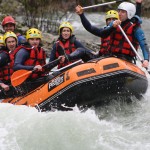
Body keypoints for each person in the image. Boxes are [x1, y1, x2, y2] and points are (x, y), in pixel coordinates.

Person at [75, 2, 149, 68]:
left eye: (123, 12)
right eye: (119, 11)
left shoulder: (136, 28)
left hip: (125, 60)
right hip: (109, 57)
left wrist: (146, 60)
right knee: (82, 52)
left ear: (129, 13)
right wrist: (82, 15)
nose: (119, 13)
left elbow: (144, 45)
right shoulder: (113, 24)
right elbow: (94, 30)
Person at [13, 28, 64, 93]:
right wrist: (33, 67)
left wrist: (58, 61)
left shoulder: (41, 51)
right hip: (27, 82)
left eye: (37, 39)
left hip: (38, 79)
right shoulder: (23, 51)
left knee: (59, 74)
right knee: (50, 78)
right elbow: (16, 66)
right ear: (28, 40)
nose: (35, 41)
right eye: (32, 39)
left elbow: (45, 68)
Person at [0, 32, 18, 98]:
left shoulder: (20, 53)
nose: (11, 44)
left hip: (16, 83)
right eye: (9, 42)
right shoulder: (3, 55)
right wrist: (2, 84)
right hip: (5, 85)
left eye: (13, 41)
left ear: (16, 42)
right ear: (6, 44)